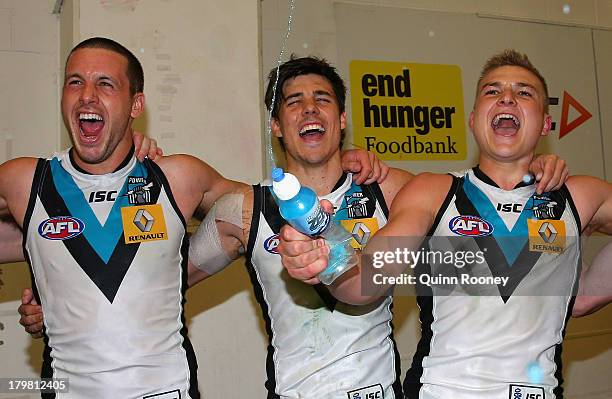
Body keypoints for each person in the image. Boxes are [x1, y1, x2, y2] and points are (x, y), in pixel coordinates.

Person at [14, 55, 567, 398]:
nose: (309, 110)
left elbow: (485, 196)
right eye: (293, 102)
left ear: (342, 119)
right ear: (277, 125)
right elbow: (153, 275)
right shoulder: (243, 212)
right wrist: (59, 300)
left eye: (322, 99)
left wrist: (536, 169)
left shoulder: (391, 188)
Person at [0, 37, 389, 398]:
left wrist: (352, 166)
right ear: (275, 126)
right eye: (75, 83)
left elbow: (440, 266)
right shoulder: (22, 180)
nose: (87, 95)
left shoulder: (393, 190)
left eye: (105, 83)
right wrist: (57, 286)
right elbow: (129, 264)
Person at [278, 49, 612, 399]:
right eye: (492, 91)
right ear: (472, 119)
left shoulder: (581, 196)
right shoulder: (432, 191)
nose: (507, 98)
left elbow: (580, 298)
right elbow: (365, 284)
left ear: (545, 123)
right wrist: (328, 260)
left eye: (524, 92)